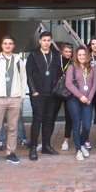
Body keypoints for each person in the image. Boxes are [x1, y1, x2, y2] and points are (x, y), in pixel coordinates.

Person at [0, 35, 28, 166]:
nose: (8, 46)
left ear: (13, 46)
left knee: (13, 128)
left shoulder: (18, 61)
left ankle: (11, 153)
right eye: (5, 43)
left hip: (14, 98)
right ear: (2, 45)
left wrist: (21, 96)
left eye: (10, 44)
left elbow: (23, 79)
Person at [25, 31, 62, 161]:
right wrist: (33, 91)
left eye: (48, 40)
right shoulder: (34, 54)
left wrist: (57, 90)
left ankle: (46, 145)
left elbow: (59, 73)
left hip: (52, 94)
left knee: (48, 120)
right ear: (40, 41)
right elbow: (28, 73)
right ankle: (33, 147)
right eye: (44, 40)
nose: (46, 42)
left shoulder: (56, 54)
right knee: (37, 119)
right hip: (38, 93)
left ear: (51, 41)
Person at [66, 45, 96, 161]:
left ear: (87, 55)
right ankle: (78, 149)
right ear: (76, 56)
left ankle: (83, 144)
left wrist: (89, 97)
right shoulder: (71, 67)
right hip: (74, 99)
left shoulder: (92, 67)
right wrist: (81, 96)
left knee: (87, 126)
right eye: (79, 55)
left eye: (84, 54)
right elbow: (68, 84)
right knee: (76, 124)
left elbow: (95, 84)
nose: (82, 57)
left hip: (88, 100)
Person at [55, 43, 75, 152]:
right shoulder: (57, 60)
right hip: (58, 91)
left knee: (69, 117)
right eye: (66, 51)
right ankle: (45, 140)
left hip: (69, 92)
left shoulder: (74, 62)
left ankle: (66, 141)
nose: (68, 54)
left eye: (70, 52)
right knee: (51, 115)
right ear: (62, 51)